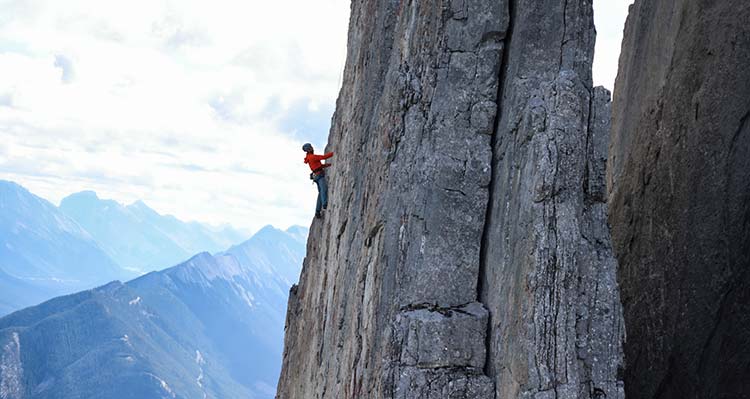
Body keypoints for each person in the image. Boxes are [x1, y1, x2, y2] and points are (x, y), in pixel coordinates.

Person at [302, 143, 333, 218]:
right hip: (319, 176)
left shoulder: (309, 157)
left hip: (317, 175)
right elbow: (324, 157)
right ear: (309, 149)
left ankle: (317, 211)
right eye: (311, 147)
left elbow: (319, 166)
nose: (313, 148)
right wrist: (333, 153)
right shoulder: (312, 157)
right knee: (323, 189)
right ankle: (324, 203)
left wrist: (328, 165)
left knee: (320, 193)